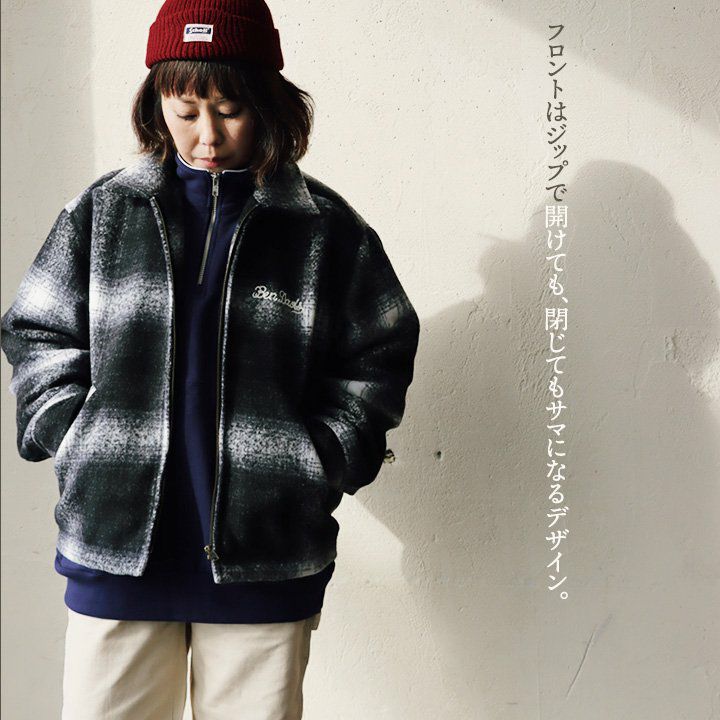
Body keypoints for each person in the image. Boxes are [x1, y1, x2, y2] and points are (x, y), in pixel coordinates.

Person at [0, 0, 421, 717]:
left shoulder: (323, 230)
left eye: (229, 110)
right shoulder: (101, 214)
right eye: (185, 110)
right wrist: (76, 436)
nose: (207, 135)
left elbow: (379, 351)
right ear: (155, 103)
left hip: (267, 556)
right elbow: (36, 330)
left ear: (268, 104)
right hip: (115, 547)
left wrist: (319, 457)